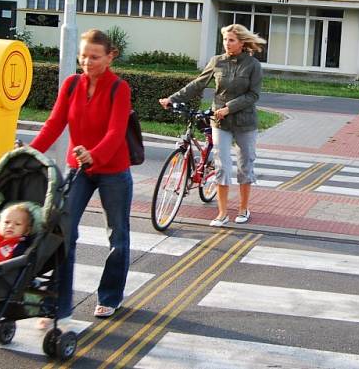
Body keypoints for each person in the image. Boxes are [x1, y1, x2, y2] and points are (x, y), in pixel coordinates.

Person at [30, 29, 133, 322]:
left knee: (118, 235)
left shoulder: (119, 88)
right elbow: (54, 123)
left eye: (94, 57)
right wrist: (31, 152)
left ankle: (110, 296)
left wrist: (95, 155)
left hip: (112, 170)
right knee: (63, 233)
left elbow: (115, 133)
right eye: (83, 56)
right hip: (78, 169)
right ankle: (59, 302)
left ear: (110, 56)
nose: (87, 62)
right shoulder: (72, 84)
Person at [159, 24, 264, 227]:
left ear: (242, 42)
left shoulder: (253, 65)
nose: (227, 43)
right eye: (225, 39)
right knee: (222, 166)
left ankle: (243, 209)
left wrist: (229, 108)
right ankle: (222, 213)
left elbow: (253, 95)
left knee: (245, 166)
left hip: (245, 123)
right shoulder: (217, 62)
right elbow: (197, 84)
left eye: (231, 40)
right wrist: (172, 98)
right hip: (220, 122)